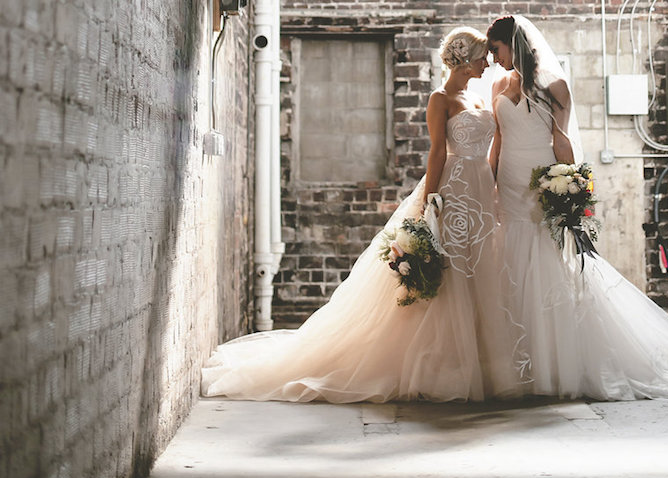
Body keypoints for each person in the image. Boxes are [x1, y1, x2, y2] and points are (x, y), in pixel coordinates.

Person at [202, 26, 529, 403]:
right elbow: (437, 152)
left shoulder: (479, 96)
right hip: (454, 189)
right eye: (482, 56)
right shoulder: (440, 99)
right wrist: (429, 202)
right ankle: (437, 366)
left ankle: (477, 363)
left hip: (480, 191)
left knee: (479, 270)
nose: (488, 62)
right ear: (465, 58)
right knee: (448, 273)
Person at [487, 13, 668, 400]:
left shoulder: (554, 86)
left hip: (540, 184)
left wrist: (570, 188)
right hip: (508, 186)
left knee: (546, 265)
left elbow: (562, 142)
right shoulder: (498, 84)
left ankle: (554, 363)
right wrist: (489, 185)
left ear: (514, 43)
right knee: (512, 261)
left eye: (496, 49)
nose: (493, 58)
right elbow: (497, 140)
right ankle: (517, 363)